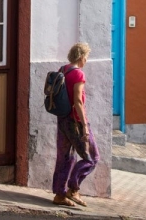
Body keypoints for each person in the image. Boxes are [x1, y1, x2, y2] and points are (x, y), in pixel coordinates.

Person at [52, 42, 99, 207]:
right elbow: (78, 101)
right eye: (86, 57)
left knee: (65, 157)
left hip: (62, 119)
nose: (86, 60)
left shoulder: (63, 70)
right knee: (92, 157)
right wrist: (85, 125)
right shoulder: (78, 74)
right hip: (76, 122)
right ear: (81, 57)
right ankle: (73, 188)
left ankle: (59, 194)